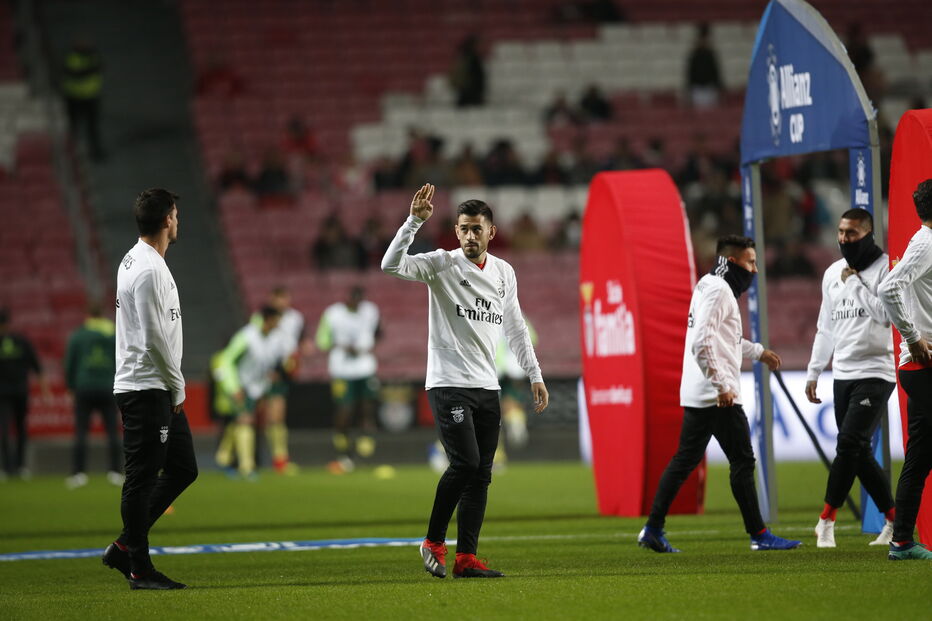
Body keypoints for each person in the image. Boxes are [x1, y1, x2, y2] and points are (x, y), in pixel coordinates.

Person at [382, 184, 549, 578]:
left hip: (486, 386)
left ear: (491, 232)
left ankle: (466, 558)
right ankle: (433, 541)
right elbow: (390, 265)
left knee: (482, 473)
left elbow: (516, 328)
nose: (470, 236)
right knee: (465, 463)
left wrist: (535, 374)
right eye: (463, 229)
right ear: (456, 232)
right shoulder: (441, 264)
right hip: (448, 382)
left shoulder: (505, 271)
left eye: (477, 229)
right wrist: (413, 222)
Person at [638, 236, 801, 553]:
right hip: (717, 394)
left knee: (684, 461)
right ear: (733, 262)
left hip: (702, 392)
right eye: (751, 262)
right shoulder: (718, 290)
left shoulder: (708, 285)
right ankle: (759, 534)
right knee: (742, 461)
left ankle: (653, 529)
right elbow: (702, 343)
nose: (754, 269)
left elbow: (723, 338)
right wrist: (721, 386)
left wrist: (758, 352)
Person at [103, 189, 197, 590]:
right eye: (176, 214)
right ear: (167, 221)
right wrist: (176, 385)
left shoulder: (142, 260)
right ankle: (139, 568)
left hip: (156, 383)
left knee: (183, 468)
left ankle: (126, 546)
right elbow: (152, 338)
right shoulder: (147, 270)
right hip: (147, 386)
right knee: (140, 478)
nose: (178, 221)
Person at [806, 209, 897, 547]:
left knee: (848, 443)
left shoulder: (886, 268)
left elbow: (886, 317)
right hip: (842, 372)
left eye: (852, 233)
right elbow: (825, 327)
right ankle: (893, 519)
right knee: (856, 450)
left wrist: (856, 282)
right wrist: (815, 370)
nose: (844, 239)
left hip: (876, 369)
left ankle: (826, 519)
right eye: (841, 232)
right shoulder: (832, 273)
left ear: (869, 234)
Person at [878, 179, 932, 560]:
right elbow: (888, 288)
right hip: (923, 363)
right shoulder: (926, 243)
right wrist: (912, 337)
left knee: (920, 455)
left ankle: (901, 541)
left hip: (920, 365)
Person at [214, 305, 288, 479]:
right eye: (277, 321)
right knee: (245, 421)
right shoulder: (246, 336)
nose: (279, 325)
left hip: (259, 388)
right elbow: (226, 360)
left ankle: (224, 456)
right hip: (242, 386)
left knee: (244, 422)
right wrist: (233, 387)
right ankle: (246, 467)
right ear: (268, 320)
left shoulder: (274, 339)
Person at [315, 286, 381, 473]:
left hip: (365, 367)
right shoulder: (333, 314)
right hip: (341, 369)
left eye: (360, 300)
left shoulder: (371, 311)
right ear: (347, 299)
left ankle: (364, 447)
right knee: (345, 410)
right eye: (354, 300)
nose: (357, 304)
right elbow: (322, 340)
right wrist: (341, 345)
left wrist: (369, 345)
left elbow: (377, 331)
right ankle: (343, 451)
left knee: (367, 407)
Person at [64, 304, 123, 489]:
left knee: (81, 431)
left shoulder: (79, 334)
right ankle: (115, 472)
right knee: (113, 431)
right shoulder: (113, 333)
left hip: (84, 387)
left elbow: (70, 362)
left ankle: (78, 474)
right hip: (108, 386)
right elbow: (122, 358)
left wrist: (71, 386)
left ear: (88, 314)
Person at [0, 308, 49, 480]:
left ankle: (12, 467)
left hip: (11, 392)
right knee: (15, 430)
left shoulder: (21, 341)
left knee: (10, 430)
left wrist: (45, 390)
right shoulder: (21, 341)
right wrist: (45, 391)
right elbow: (37, 367)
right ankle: (15, 467)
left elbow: (36, 366)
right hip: (15, 392)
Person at [61, 38, 105, 160]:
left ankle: (95, 151)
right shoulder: (72, 58)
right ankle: (72, 153)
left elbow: (99, 68)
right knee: (73, 127)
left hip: (91, 97)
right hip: (74, 98)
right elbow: (76, 74)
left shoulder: (93, 57)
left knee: (92, 127)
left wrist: (91, 70)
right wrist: (91, 70)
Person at [685, 23, 723, 108]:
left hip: (710, 89)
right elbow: (690, 74)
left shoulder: (711, 55)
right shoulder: (694, 55)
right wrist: (689, 90)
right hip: (697, 90)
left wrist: (719, 88)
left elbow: (716, 72)